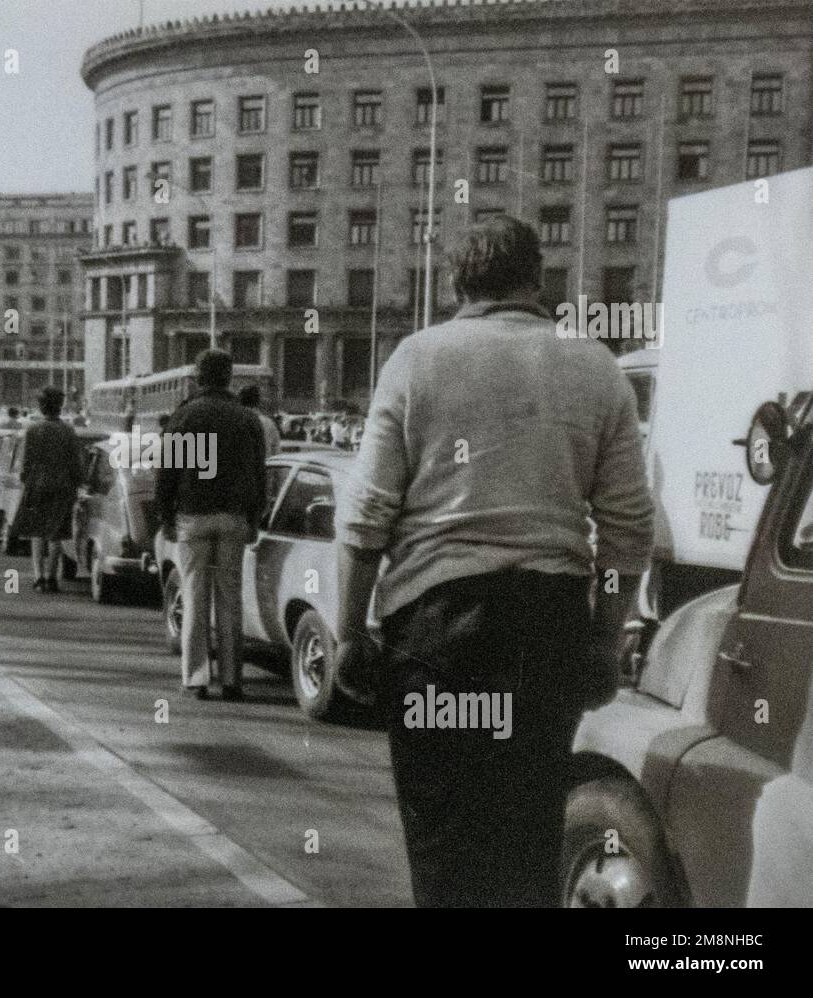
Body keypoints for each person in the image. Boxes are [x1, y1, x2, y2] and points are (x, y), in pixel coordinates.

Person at [332, 215, 654, 907]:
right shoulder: (595, 365)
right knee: (528, 836)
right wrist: (602, 639)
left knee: (445, 838)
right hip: (547, 635)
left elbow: (365, 521)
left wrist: (349, 633)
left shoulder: (418, 359)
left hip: (439, 634)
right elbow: (629, 529)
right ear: (537, 282)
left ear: (456, 282)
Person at [156, 350, 266, 701]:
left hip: (192, 516)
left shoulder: (183, 416)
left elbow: (167, 474)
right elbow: (259, 475)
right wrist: (254, 517)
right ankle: (233, 680)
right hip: (233, 517)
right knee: (231, 598)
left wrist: (165, 516)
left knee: (194, 597)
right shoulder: (247, 419)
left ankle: (197, 678)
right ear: (229, 376)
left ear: (198, 378)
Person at [9, 387, 83, 592]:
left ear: (42, 406)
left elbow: (26, 464)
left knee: (37, 532)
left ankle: (38, 577)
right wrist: (76, 484)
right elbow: (76, 464)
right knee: (56, 533)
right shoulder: (68, 431)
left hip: (38, 485)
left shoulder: (33, 430)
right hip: (62, 487)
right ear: (60, 407)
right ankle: (52, 577)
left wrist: (27, 481)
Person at [238, 384, 280, 458]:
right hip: (265, 467)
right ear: (258, 402)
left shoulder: (235, 421)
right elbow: (276, 453)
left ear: (240, 401)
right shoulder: (268, 424)